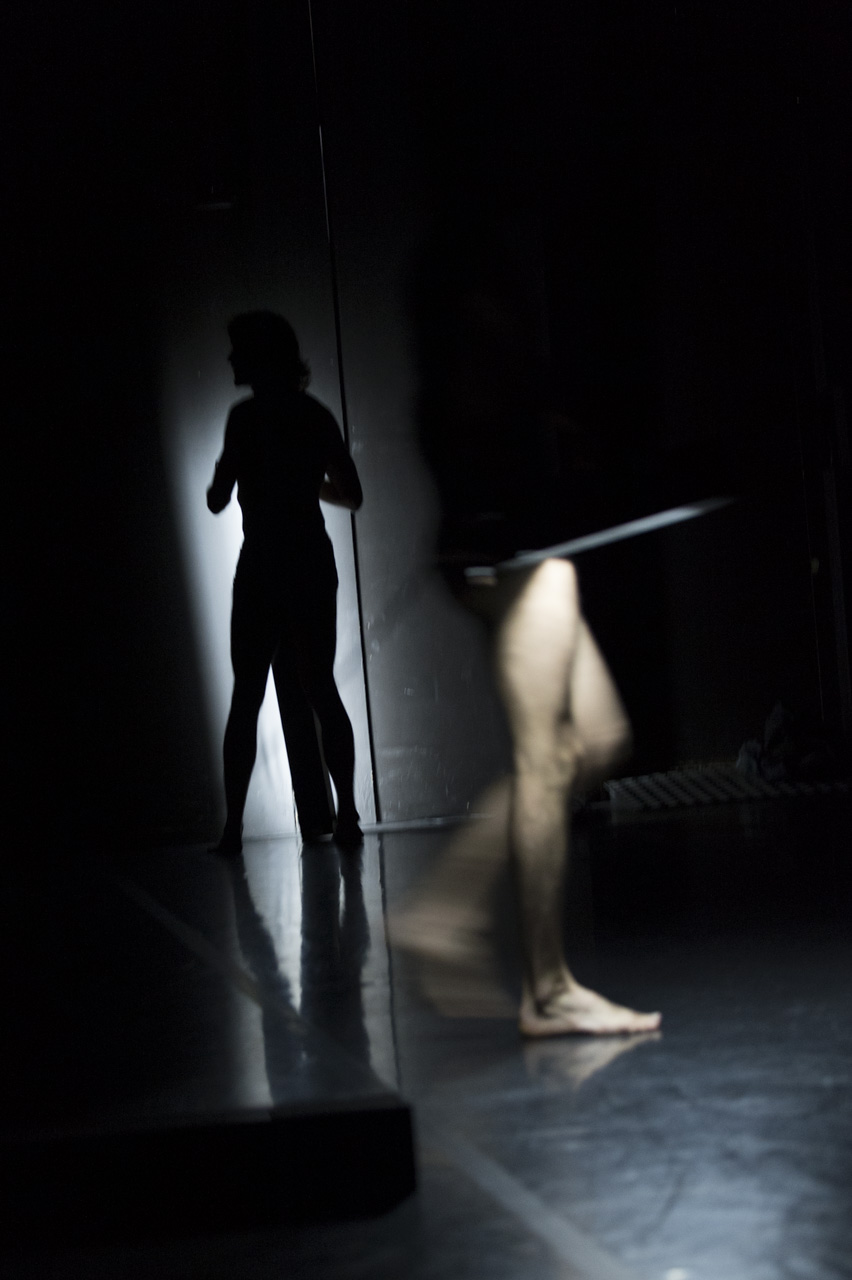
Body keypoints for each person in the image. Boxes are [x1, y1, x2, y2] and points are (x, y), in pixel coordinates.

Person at [391, 212, 661, 1036]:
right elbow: (478, 468)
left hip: (536, 554)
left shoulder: (497, 371)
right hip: (518, 559)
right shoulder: (475, 369)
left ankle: (441, 910)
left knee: (599, 741)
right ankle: (548, 990)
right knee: (548, 759)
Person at [207, 311, 364, 853]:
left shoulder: (243, 419)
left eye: (238, 350)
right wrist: (306, 483)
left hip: (261, 566)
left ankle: (233, 829)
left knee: (246, 697)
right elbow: (353, 494)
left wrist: (239, 476)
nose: (231, 359)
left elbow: (217, 498)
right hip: (310, 562)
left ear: (258, 357)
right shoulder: (314, 415)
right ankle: (347, 816)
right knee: (321, 687)